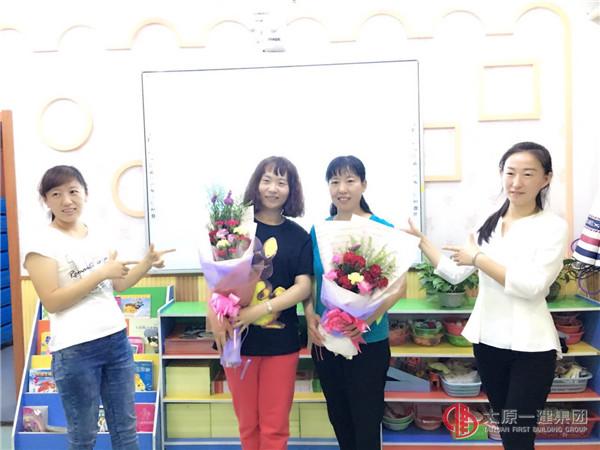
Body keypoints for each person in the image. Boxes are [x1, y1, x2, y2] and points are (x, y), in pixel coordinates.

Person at [404, 142, 568, 450]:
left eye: (528, 174)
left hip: (531, 348)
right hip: (489, 342)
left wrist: (479, 259)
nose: (516, 182)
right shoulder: (489, 222)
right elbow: (456, 273)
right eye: (510, 173)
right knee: (507, 429)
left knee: (519, 433)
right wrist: (423, 242)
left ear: (545, 179)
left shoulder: (552, 227)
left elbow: (532, 286)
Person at [24, 165, 174, 450]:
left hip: (116, 341)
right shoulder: (41, 244)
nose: (67, 200)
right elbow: (52, 301)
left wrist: (147, 262)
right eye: (56, 194)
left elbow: (119, 284)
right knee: (84, 436)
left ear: (85, 194)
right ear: (45, 200)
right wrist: (100, 273)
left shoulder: (97, 234)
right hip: (74, 350)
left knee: (126, 432)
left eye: (73, 191)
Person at [304, 155, 406, 450]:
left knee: (367, 420)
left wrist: (365, 320)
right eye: (335, 181)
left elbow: (398, 287)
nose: (342, 188)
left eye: (350, 180)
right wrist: (309, 315)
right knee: (339, 417)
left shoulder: (382, 228)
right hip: (326, 340)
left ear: (364, 184)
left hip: (369, 341)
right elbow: (309, 280)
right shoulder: (319, 231)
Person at [211, 156, 313, 450]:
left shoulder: (298, 236)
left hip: (281, 343)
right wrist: (214, 318)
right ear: (256, 184)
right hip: (237, 340)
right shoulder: (234, 229)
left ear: (291, 190)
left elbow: (304, 286)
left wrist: (260, 309)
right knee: (247, 425)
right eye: (266, 180)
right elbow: (214, 279)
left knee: (275, 426)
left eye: (281, 182)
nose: (273, 188)